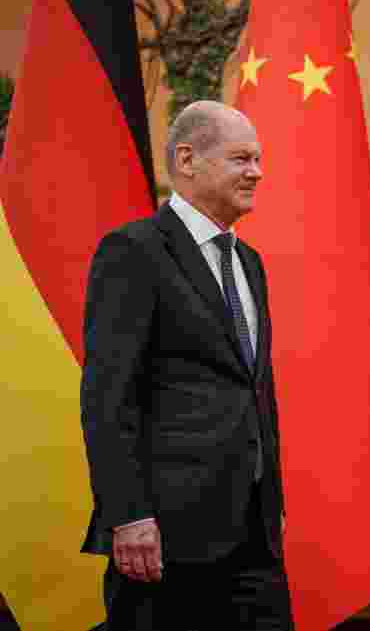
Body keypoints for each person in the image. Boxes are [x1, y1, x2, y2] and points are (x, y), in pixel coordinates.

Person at [80, 101, 293, 629]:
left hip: (253, 533)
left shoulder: (250, 263)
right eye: (242, 159)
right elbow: (109, 397)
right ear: (187, 159)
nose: (257, 173)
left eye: (259, 159)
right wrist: (127, 514)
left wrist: (272, 503)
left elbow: (251, 389)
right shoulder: (134, 252)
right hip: (166, 536)